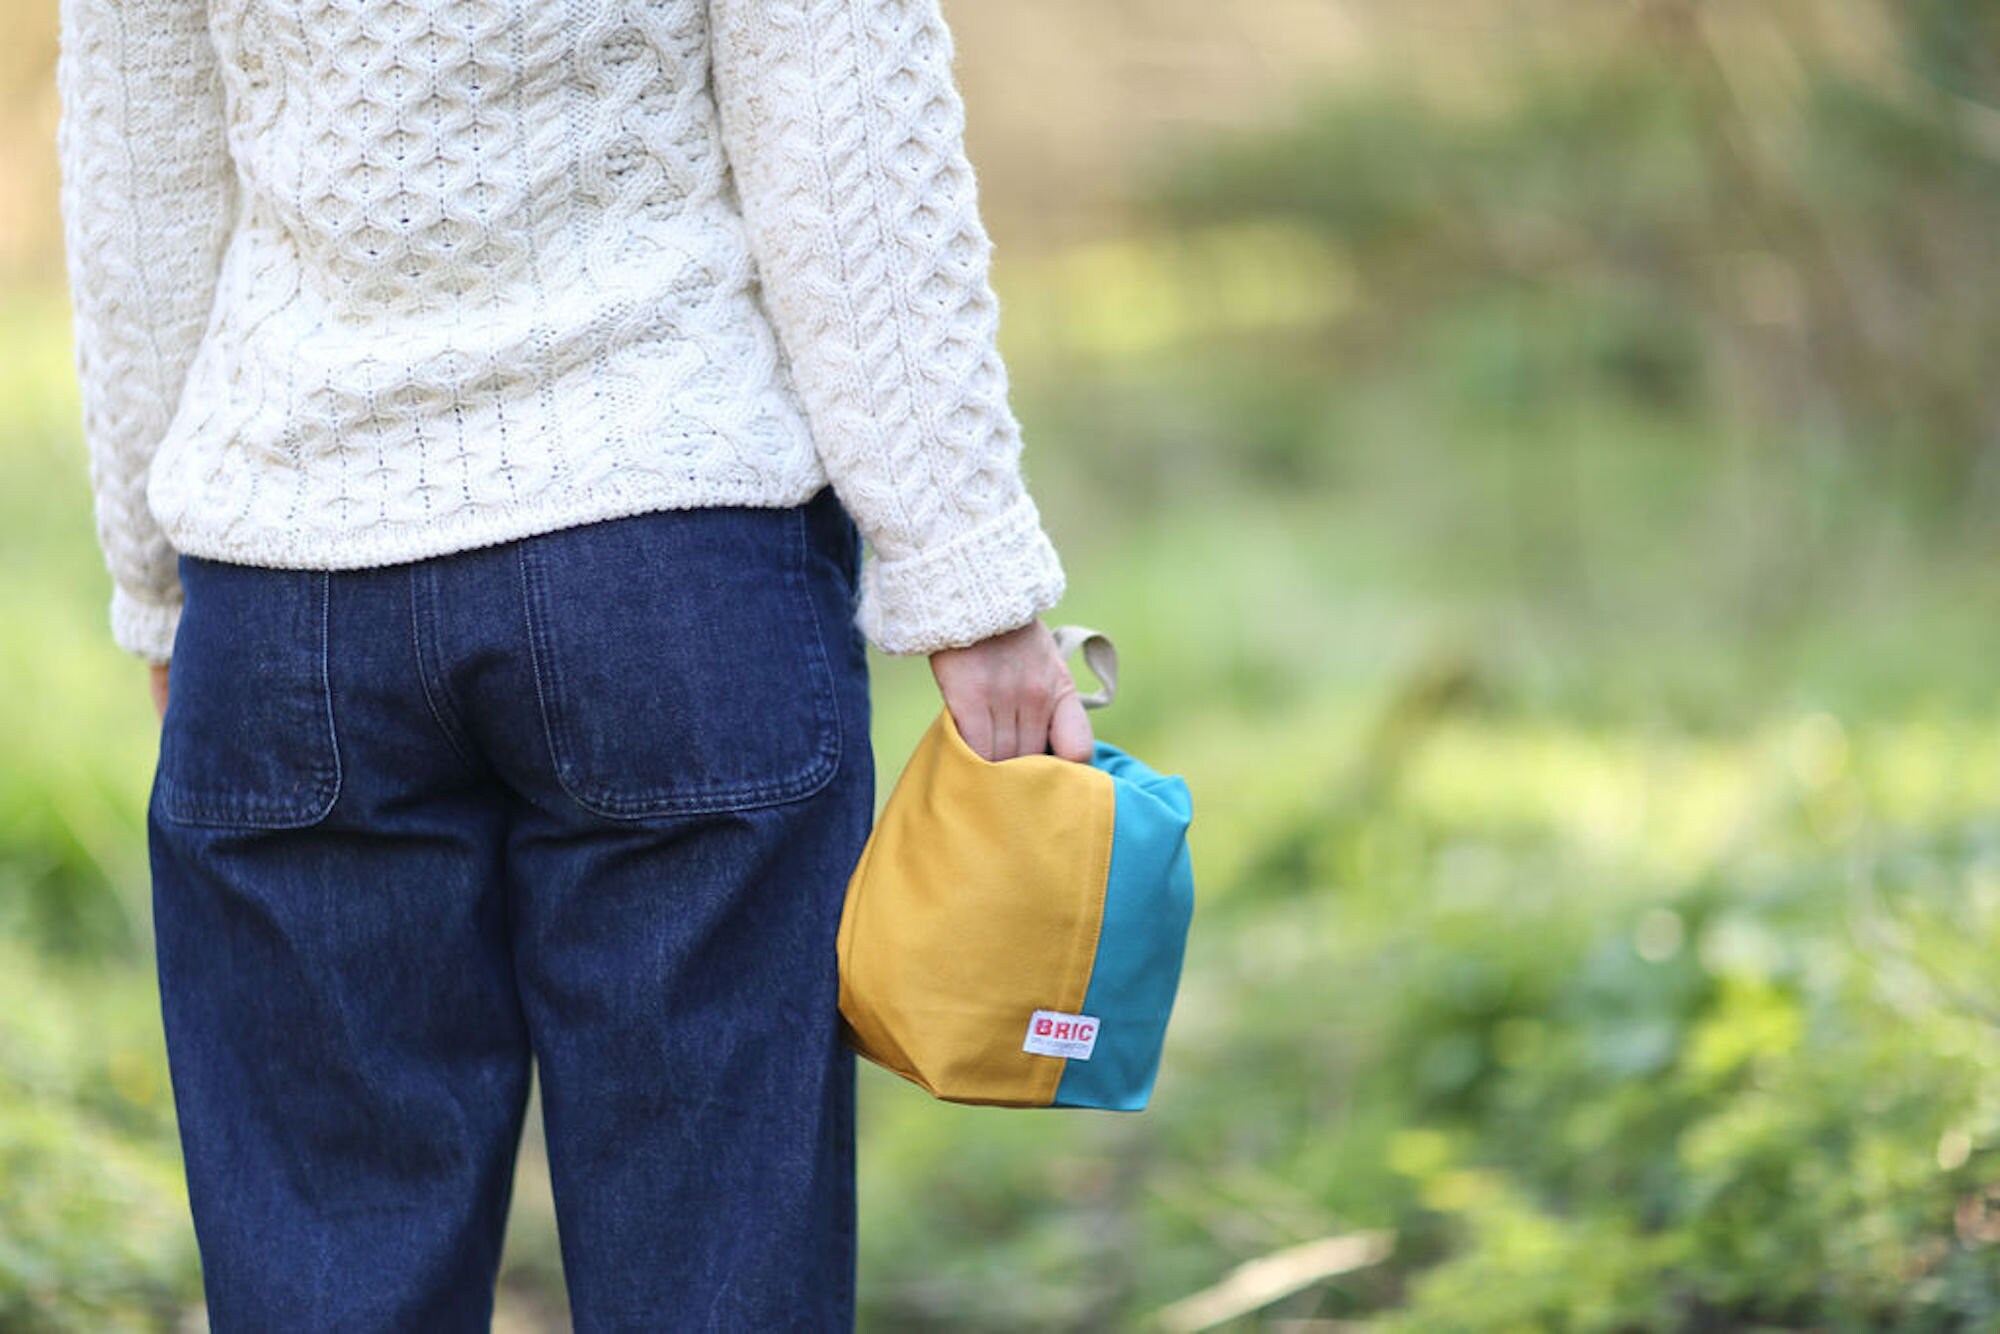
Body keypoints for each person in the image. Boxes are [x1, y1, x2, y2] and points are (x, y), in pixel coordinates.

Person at [55, 0, 1092, 1327]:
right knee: (714, 1264)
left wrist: (157, 585)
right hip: (672, 570)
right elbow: (842, 128)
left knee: (327, 1276)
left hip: (289, 593)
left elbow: (141, 176)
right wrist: (969, 573)